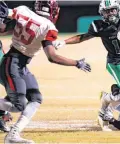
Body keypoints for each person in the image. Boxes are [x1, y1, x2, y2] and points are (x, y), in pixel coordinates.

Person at [0, 0, 91, 143]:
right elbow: (52, 57)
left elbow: (4, 24)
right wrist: (76, 63)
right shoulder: (48, 27)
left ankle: (13, 135)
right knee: (19, 104)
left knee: (35, 98)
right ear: (53, 11)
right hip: (13, 63)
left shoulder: (23, 10)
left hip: (16, 63)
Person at [53, 0, 120, 131]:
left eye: (112, 10)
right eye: (106, 11)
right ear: (101, 13)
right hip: (115, 63)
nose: (109, 14)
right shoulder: (99, 25)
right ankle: (106, 102)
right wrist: (64, 42)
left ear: (118, 9)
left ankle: (111, 96)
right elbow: (82, 37)